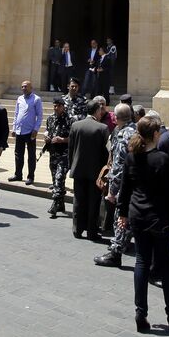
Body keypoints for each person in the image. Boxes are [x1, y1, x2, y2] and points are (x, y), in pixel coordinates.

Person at [118, 116, 169, 334]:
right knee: (165, 266)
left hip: (138, 215)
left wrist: (122, 213)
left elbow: (124, 189)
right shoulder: (163, 159)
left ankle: (140, 312)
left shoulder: (131, 157)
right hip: (160, 218)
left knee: (141, 262)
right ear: (155, 134)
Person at [95, 103, 137, 267]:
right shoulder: (136, 130)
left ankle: (115, 253)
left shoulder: (122, 135)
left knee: (120, 219)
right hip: (137, 186)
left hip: (125, 187)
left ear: (116, 118)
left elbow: (119, 166)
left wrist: (112, 191)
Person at [69, 99, 110, 240]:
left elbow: (71, 149)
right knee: (94, 202)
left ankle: (77, 229)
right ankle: (92, 231)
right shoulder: (102, 128)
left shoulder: (75, 126)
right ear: (97, 111)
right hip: (95, 172)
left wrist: (71, 167)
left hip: (78, 170)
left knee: (79, 200)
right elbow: (106, 153)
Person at [10, 80, 43, 185]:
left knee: (31, 156)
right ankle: (18, 175)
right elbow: (16, 114)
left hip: (30, 132)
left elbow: (40, 116)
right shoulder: (20, 98)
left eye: (25, 87)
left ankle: (31, 177)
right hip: (19, 131)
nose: (23, 88)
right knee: (18, 154)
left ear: (31, 88)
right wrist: (14, 128)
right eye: (22, 87)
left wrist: (36, 129)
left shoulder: (36, 99)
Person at [44, 96, 73, 218]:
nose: (55, 108)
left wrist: (62, 140)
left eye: (58, 106)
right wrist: (47, 137)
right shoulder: (50, 118)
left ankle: (55, 204)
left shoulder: (70, 120)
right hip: (53, 153)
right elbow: (48, 131)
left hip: (64, 154)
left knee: (59, 177)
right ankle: (61, 204)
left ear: (63, 107)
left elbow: (73, 138)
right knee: (55, 179)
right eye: (54, 106)